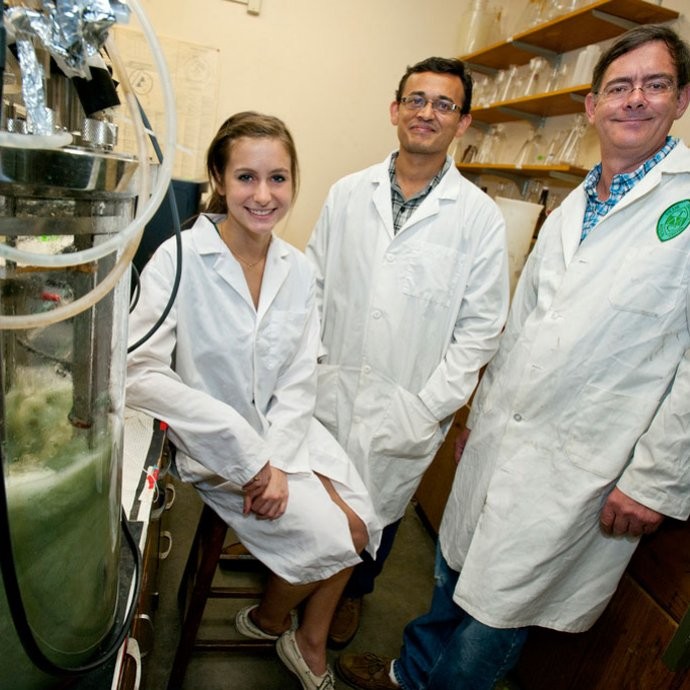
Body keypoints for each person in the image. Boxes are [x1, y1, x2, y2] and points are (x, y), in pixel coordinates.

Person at [337, 23, 690, 690]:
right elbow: (521, 328)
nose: (634, 99)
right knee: (453, 573)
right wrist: (477, 417)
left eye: (654, 84)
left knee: (496, 616)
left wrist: (658, 479)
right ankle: (408, 677)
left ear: (681, 99)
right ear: (592, 106)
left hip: (584, 460)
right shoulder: (573, 206)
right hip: (505, 434)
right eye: (618, 86)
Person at [125, 111, 382, 690]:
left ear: (294, 182)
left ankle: (294, 631)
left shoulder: (297, 267)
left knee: (365, 520)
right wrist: (248, 455)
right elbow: (138, 370)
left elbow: (297, 375)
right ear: (219, 177)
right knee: (338, 536)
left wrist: (280, 461)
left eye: (278, 179)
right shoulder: (181, 257)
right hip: (215, 445)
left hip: (287, 432)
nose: (263, 196)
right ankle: (278, 624)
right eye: (246, 177)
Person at [305, 56, 510, 648]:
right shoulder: (349, 193)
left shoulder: (479, 219)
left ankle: (349, 597)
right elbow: (313, 285)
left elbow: (480, 329)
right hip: (331, 383)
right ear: (395, 110)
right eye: (417, 100)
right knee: (316, 499)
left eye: (444, 104)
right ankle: (295, 585)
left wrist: (428, 407)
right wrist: (308, 365)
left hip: (407, 401)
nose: (428, 113)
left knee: (378, 513)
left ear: (463, 122)